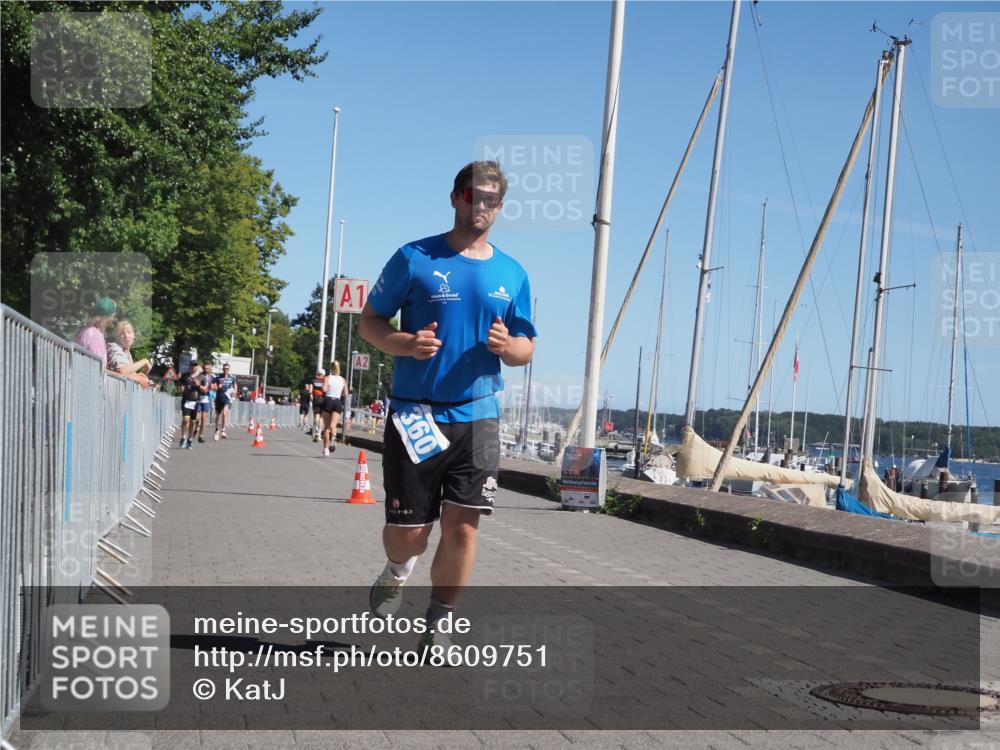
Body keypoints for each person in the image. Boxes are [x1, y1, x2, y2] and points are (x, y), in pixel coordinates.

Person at [359, 160, 536, 652]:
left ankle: (440, 622)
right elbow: (370, 321)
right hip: (416, 411)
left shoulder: (512, 273)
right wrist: (405, 343)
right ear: (456, 196)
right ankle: (398, 569)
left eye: (491, 201)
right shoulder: (414, 257)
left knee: (463, 527)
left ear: (500, 208)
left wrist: (509, 347)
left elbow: (526, 347)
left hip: (478, 415)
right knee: (409, 534)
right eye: (473, 196)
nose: (480, 207)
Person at [106, 320, 151, 388]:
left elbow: (128, 375)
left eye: (129, 332)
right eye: (122, 333)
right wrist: (144, 361)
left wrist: (140, 375)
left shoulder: (128, 354)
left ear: (134, 335)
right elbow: (122, 370)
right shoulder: (114, 347)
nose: (126, 336)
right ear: (118, 337)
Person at [74, 296, 116, 368]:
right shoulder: (95, 336)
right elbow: (98, 367)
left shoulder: (85, 331)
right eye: (112, 315)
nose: (113, 318)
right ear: (108, 318)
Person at [319, 361, 348, 457]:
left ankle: (326, 449)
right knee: (333, 425)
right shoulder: (343, 380)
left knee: (326, 427)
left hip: (328, 401)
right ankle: (334, 438)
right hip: (337, 402)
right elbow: (346, 394)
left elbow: (324, 390)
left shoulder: (327, 378)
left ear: (331, 368)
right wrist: (339, 392)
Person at [179, 362, 202, 449]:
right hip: (186, 401)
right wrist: (181, 387)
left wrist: (199, 385)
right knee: (185, 419)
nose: (193, 367)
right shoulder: (185, 375)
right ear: (190, 366)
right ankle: (183, 437)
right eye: (192, 365)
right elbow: (180, 383)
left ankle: (190, 439)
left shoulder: (201, 376)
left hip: (195, 401)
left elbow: (205, 389)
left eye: (195, 365)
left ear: (197, 366)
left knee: (193, 421)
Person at [213, 363, 237, 440]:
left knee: (225, 413)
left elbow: (235, 386)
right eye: (224, 369)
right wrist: (217, 387)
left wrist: (235, 392)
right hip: (219, 397)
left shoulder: (232, 378)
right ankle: (217, 430)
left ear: (229, 370)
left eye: (227, 369)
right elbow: (213, 387)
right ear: (222, 369)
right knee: (218, 415)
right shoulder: (218, 377)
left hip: (227, 398)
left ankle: (223, 430)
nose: (225, 370)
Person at [194, 362, 214, 443]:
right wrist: (201, 387)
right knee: (196, 418)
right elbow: (197, 383)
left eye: (207, 368)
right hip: (198, 398)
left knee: (203, 419)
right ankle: (196, 428)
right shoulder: (200, 376)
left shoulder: (211, 377)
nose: (206, 370)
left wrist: (213, 387)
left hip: (206, 399)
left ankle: (201, 436)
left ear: (210, 369)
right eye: (205, 368)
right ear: (203, 368)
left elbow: (214, 386)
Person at [310, 369, 326, 441]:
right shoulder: (325, 381)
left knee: (316, 415)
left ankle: (316, 430)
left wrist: (311, 397)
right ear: (323, 374)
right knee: (321, 418)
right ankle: (319, 433)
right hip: (323, 399)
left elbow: (310, 390)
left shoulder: (313, 381)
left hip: (316, 399)